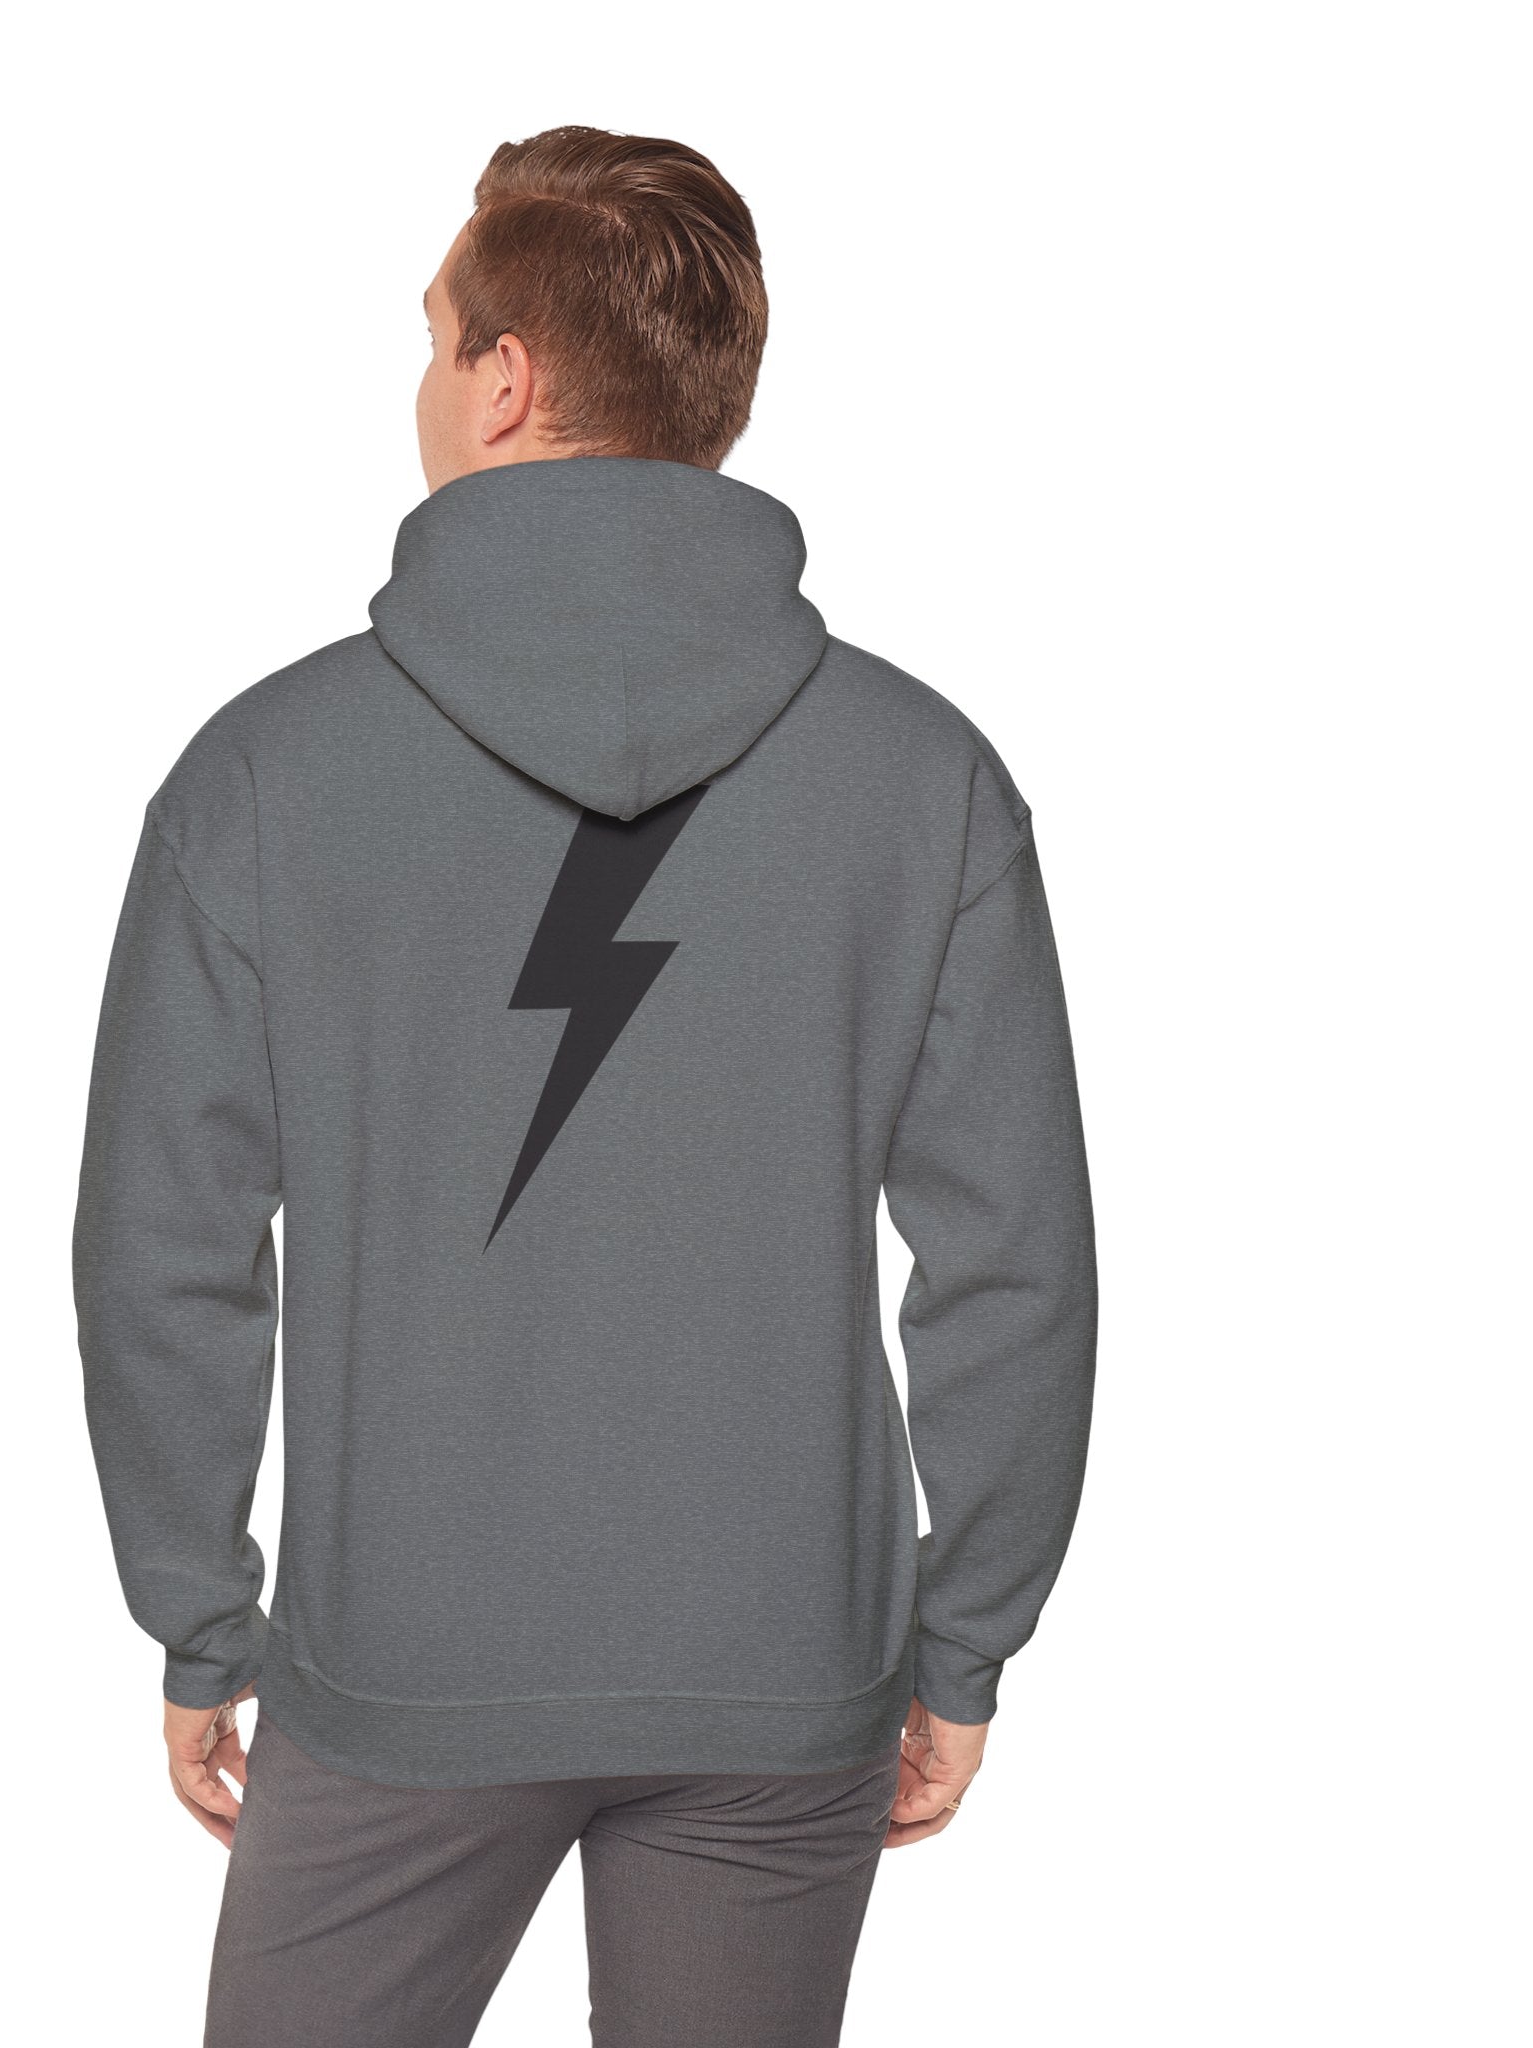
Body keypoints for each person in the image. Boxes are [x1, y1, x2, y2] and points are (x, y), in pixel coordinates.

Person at [75, 124, 1096, 2048]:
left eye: (430, 338)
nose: (418, 382)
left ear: (505, 377)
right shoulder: (924, 777)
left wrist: (199, 1615)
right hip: (784, 1666)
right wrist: (965, 1643)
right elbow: (1015, 1264)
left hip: (401, 1668)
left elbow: (166, 1250)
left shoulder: (264, 775)